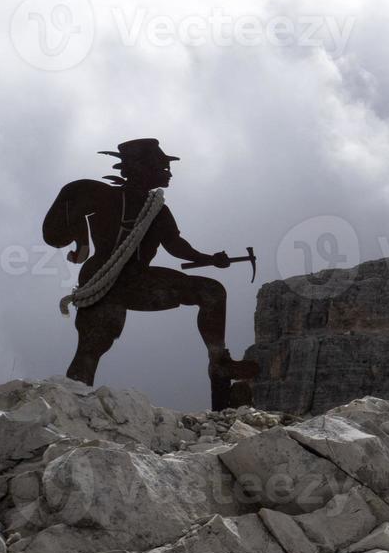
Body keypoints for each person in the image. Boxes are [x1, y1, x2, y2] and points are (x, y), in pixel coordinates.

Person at [42, 139, 257, 410]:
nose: (167, 171)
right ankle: (73, 403)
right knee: (93, 344)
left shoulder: (158, 209)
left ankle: (219, 362)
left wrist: (209, 259)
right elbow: (66, 225)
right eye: (161, 165)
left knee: (211, 290)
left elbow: (176, 245)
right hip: (104, 279)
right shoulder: (104, 197)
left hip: (140, 279)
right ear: (140, 168)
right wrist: (81, 244)